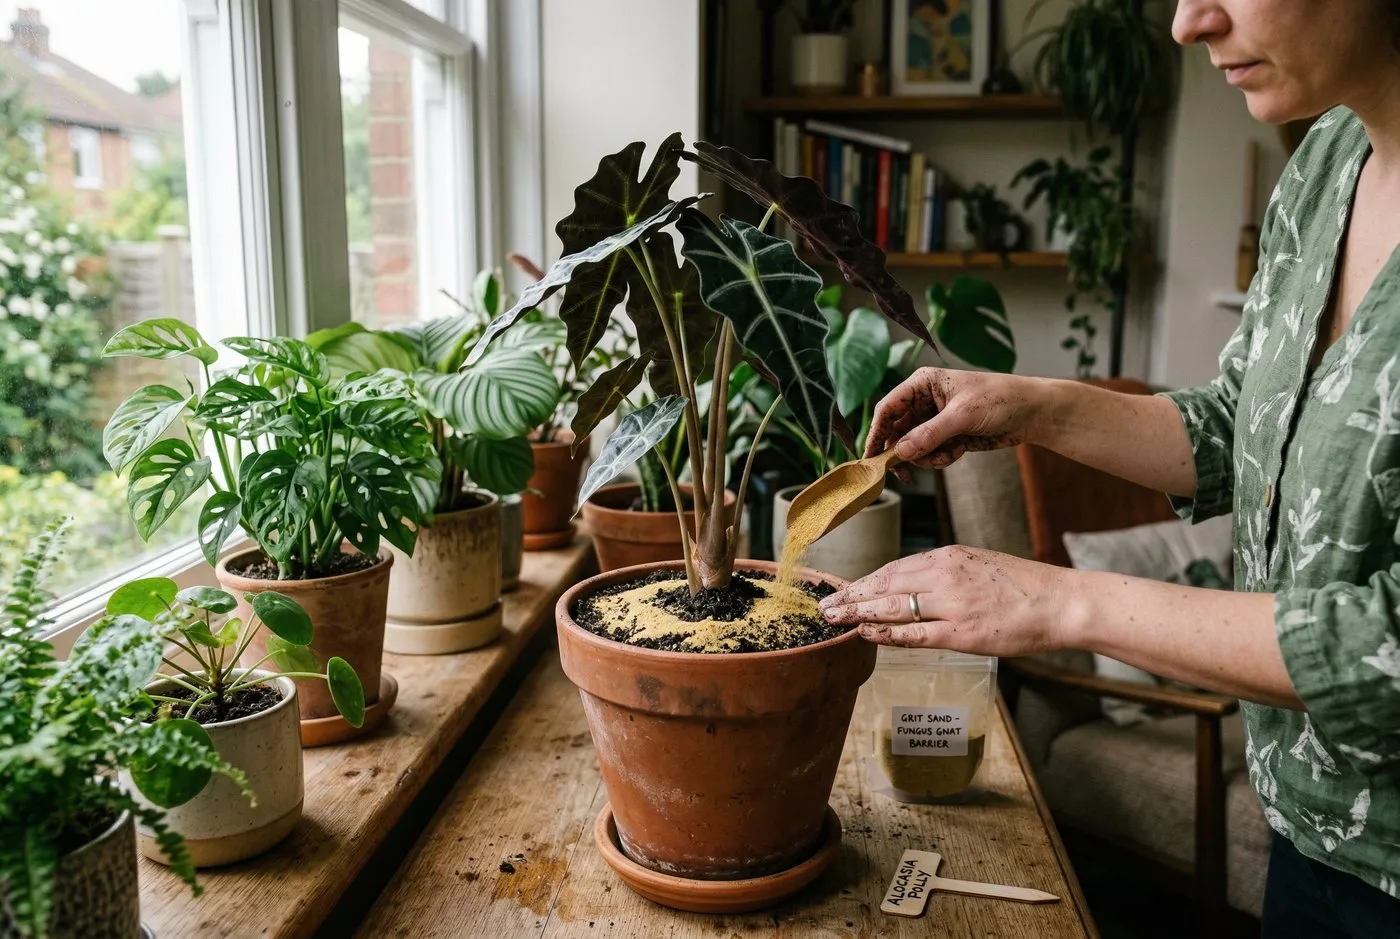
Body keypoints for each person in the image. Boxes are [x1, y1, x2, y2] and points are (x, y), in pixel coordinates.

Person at [819, 0, 1400, 934]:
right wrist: (1034, 406)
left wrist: (1055, 601)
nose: (1186, 22)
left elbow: (1387, 639)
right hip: (1304, 823)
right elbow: (1239, 428)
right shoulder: (1326, 160)